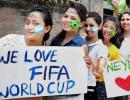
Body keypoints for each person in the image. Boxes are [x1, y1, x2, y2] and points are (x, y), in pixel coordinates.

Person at [0, 5, 53, 100]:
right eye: (27, 23)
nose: (29, 27)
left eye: (35, 24)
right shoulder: (9, 41)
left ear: (47, 28)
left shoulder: (49, 56)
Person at [48, 1, 88, 100]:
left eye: (73, 18)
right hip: (52, 92)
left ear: (81, 23)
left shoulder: (81, 45)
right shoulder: (55, 40)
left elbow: (81, 73)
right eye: (66, 16)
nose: (67, 20)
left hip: (71, 96)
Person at [97, 16, 126, 100]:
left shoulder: (115, 51)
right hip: (89, 84)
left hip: (104, 86)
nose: (108, 30)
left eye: (112, 28)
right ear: (101, 26)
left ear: (116, 31)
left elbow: (115, 74)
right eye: (106, 26)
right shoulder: (94, 42)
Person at [83, 12, 108, 100]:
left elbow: (103, 58)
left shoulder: (101, 47)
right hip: (74, 87)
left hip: (90, 90)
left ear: (100, 26)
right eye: (86, 25)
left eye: (91, 25)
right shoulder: (79, 41)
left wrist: (100, 67)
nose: (88, 28)